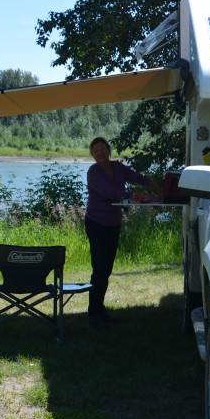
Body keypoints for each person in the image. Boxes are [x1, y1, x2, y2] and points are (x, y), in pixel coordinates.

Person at [85, 136, 160, 329]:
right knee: (99, 268)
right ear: (92, 156)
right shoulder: (93, 172)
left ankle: (100, 310)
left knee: (107, 269)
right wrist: (138, 196)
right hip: (96, 223)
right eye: (96, 151)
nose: (100, 153)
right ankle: (93, 313)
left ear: (108, 150)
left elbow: (139, 178)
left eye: (102, 149)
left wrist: (155, 186)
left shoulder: (118, 167)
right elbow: (111, 192)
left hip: (113, 223)